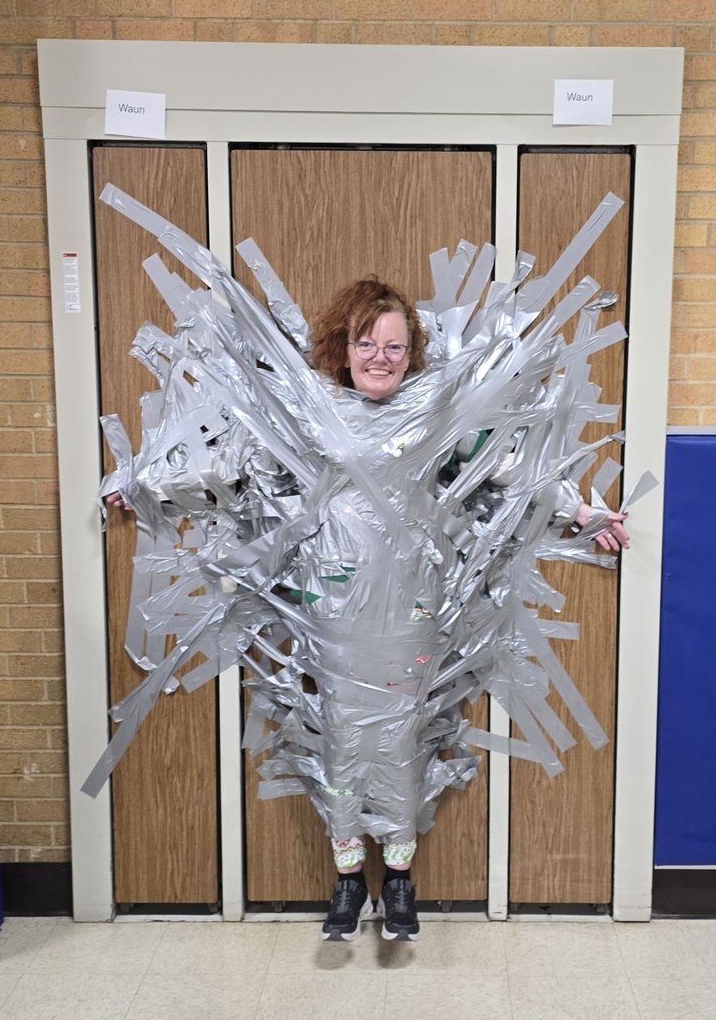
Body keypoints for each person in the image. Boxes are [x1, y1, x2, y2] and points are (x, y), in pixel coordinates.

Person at [99, 197, 630, 945]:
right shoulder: (312, 414)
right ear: (341, 348)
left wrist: (585, 514)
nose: (380, 358)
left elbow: (508, 468)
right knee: (343, 736)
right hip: (331, 606)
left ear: (411, 352)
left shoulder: (435, 415)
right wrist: (143, 480)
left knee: (407, 730)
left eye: (393, 346)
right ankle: (350, 878)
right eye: (366, 344)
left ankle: (401, 878)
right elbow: (231, 459)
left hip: (414, 607)